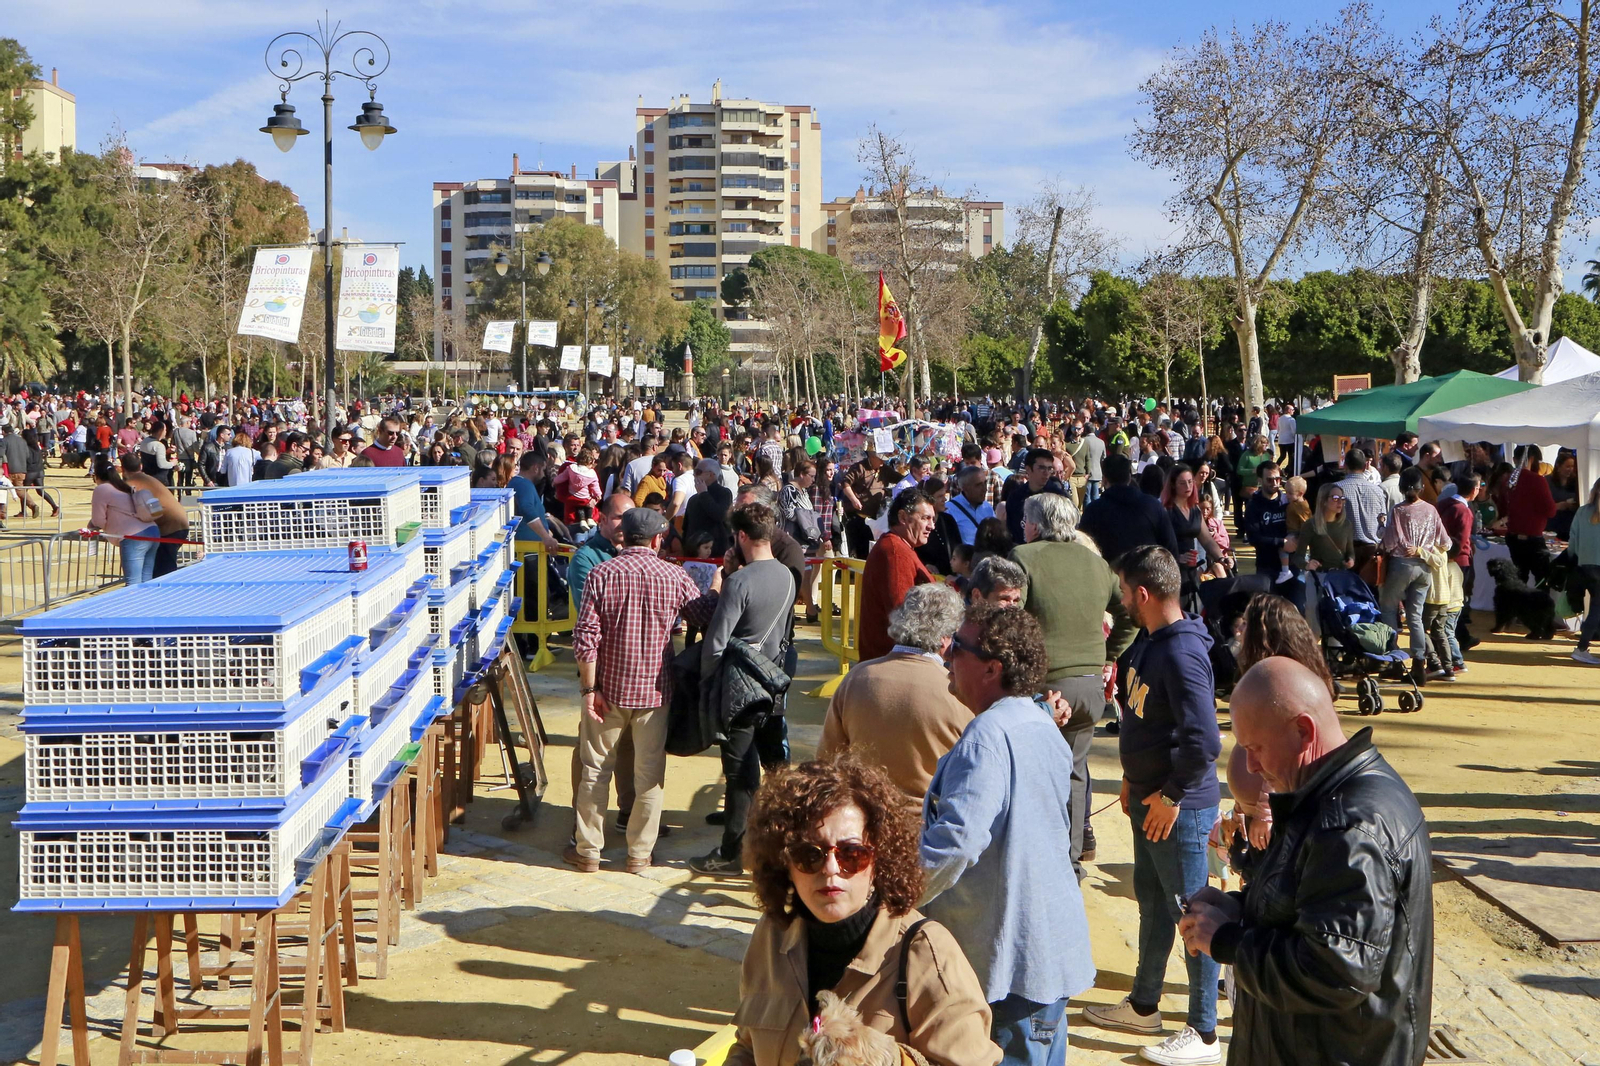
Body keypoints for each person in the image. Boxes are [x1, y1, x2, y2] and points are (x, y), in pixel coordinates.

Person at [1179, 658, 1433, 1066]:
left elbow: (1336, 973)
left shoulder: (1349, 826)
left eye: (1255, 748)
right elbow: (1307, 904)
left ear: (1304, 731)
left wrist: (1228, 941)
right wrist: (1241, 911)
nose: (1252, 768)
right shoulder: (1323, 801)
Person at [726, 757, 1002, 1066]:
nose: (831, 869)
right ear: (784, 863)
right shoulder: (772, 935)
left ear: (878, 860)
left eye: (851, 854)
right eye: (809, 855)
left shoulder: (925, 953)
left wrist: (886, 1057)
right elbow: (748, 1046)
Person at [922, 602, 1094, 1065]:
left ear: (992, 668)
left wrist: (894, 896)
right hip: (1044, 961)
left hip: (1012, 973)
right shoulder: (1037, 722)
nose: (946, 655)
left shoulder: (987, 737)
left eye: (957, 647)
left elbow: (956, 842)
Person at [1084, 545, 1222, 1066]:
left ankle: (1204, 1031)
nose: (1120, 600)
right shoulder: (1151, 641)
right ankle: (1144, 1004)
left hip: (1178, 811)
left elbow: (1204, 741)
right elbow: (1149, 722)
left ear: (1142, 593)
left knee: (1195, 917)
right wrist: (1132, 780)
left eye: (1123, 591)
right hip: (1149, 802)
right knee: (1154, 905)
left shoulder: (1182, 652)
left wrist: (1169, 796)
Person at [569, 507, 718, 874]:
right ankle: (639, 854)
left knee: (594, 771)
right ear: (657, 539)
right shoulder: (673, 575)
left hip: (608, 690)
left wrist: (589, 689)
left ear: (624, 536)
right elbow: (702, 614)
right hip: (655, 693)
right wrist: (717, 585)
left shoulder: (602, 573)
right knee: (649, 775)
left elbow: (585, 636)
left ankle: (588, 850)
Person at [1012, 492, 1137, 880]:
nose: (1023, 528)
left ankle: (1033, 856)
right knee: (1075, 769)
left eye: (1025, 521)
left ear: (1035, 524)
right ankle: (1070, 858)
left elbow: (1011, 618)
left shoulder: (1023, 557)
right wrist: (1108, 656)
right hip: (1089, 685)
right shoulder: (1097, 564)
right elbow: (1128, 615)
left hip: (1044, 683)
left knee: (1032, 771)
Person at [690, 502, 798, 877]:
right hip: (773, 683)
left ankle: (732, 852)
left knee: (740, 774)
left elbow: (716, 644)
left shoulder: (739, 582)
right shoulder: (788, 576)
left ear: (740, 537)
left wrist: (706, 682)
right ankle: (788, 841)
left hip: (740, 687)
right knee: (776, 766)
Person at [817, 583, 970, 810]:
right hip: (930, 826)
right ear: (945, 638)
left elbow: (827, 762)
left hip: (866, 820)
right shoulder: (959, 689)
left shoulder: (856, 678)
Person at [1380, 466, 1451, 688]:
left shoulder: (1399, 511)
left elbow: (1391, 542)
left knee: (1389, 608)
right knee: (1415, 617)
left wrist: (1381, 542)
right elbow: (1446, 542)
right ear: (1421, 487)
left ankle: (1393, 660)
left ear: (1401, 488)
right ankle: (1419, 664)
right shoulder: (1431, 510)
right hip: (1425, 567)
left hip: (1402, 564)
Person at [857, 488, 935, 662]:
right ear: (902, 517)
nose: (932, 526)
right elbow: (901, 616)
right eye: (925, 518)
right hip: (893, 662)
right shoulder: (895, 552)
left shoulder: (899, 547)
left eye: (932, 519)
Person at [1080, 454, 1178, 564]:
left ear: (1104, 480)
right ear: (1129, 478)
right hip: (1146, 572)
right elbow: (1171, 548)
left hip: (1108, 574)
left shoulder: (1093, 510)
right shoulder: (1153, 505)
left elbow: (1083, 549)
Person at [89, 458, 160, 586]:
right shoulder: (123, 486)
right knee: (147, 580)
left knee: (132, 583)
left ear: (97, 476)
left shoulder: (102, 489)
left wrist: (96, 526)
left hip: (133, 537)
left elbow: (98, 520)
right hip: (152, 531)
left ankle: (134, 605)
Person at [120, 452, 187, 579]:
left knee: (163, 573)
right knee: (161, 568)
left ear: (122, 469)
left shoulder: (132, 484)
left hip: (169, 528)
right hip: (178, 524)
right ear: (140, 466)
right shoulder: (148, 479)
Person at [997, 447, 1070, 545]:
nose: (1046, 473)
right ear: (1028, 469)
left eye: (1049, 468)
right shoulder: (1016, 497)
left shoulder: (1059, 496)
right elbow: (1011, 530)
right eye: (1041, 468)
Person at [1506, 445, 1557, 584]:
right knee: (1542, 580)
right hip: (1532, 538)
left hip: (1513, 536)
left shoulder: (1509, 479)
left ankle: (1517, 605)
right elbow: (1551, 510)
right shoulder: (1537, 480)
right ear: (1532, 459)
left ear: (1514, 459)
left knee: (1518, 580)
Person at [1339, 448, 1391, 575]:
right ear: (1365, 466)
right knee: (1369, 592)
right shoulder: (1378, 490)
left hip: (1346, 550)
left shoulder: (1336, 490)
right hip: (1371, 550)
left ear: (1345, 465)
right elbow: (1382, 522)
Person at [1568, 476, 1600, 665]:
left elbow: (1573, 540)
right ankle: (1581, 647)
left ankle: (1583, 646)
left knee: (1596, 606)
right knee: (1596, 608)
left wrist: (1574, 557)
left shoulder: (1582, 512)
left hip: (1585, 564)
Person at [841, 450, 889, 559]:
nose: (882, 462)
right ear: (872, 457)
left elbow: (899, 478)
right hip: (856, 517)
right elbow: (845, 483)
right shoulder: (860, 467)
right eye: (880, 459)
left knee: (870, 551)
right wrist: (854, 500)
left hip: (874, 518)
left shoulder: (884, 469)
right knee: (857, 550)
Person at [508, 449, 560, 551]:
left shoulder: (518, 483)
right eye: (543, 470)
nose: (544, 475)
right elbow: (527, 510)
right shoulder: (523, 484)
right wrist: (546, 537)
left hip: (529, 547)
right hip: (529, 550)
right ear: (536, 468)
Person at [1304, 482, 1355, 572]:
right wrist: (1307, 565)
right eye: (1335, 498)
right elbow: (1298, 556)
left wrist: (1351, 560)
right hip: (1319, 576)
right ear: (1323, 501)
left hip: (1340, 576)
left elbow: (1350, 551)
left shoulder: (1346, 524)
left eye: (1342, 498)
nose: (1340, 502)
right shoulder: (1310, 524)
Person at [947, 465, 997, 546]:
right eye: (978, 485)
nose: (984, 489)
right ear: (964, 488)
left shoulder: (987, 508)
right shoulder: (950, 510)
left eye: (985, 483)